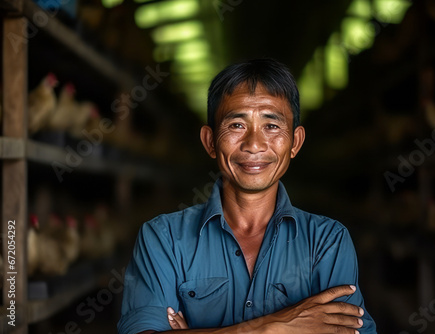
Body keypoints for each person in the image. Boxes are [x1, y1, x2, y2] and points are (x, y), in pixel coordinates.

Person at [117, 58, 377, 333]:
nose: (254, 144)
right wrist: (275, 326)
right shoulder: (163, 239)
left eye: (272, 126)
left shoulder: (327, 242)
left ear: (296, 142)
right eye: (237, 125)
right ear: (210, 141)